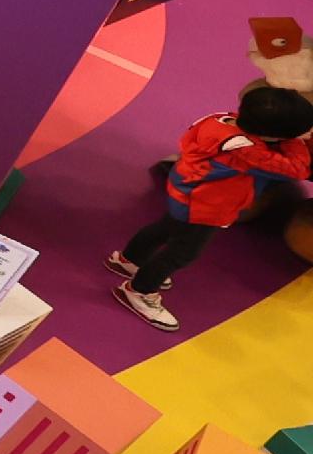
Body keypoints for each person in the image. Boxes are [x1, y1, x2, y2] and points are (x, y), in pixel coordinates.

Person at [109, 82, 313, 331]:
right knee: (183, 253)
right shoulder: (248, 151)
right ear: (274, 136)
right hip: (205, 207)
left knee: (165, 227)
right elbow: (297, 168)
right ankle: (139, 291)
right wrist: (298, 142)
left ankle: (129, 259)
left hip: (186, 189)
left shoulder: (222, 120)